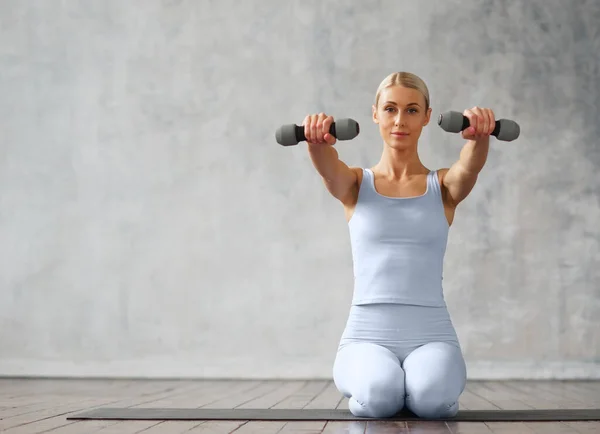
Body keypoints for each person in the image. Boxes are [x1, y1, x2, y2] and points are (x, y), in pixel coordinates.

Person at [303, 71, 496, 419]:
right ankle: (386, 388)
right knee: (379, 397)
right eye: (390, 109)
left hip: (432, 335)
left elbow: (469, 168)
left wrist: (479, 136)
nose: (399, 120)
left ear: (425, 116)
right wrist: (317, 141)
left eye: (411, 110)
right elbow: (328, 169)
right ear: (375, 113)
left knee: (433, 401)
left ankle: (416, 389)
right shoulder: (355, 184)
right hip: (366, 338)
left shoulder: (444, 187)